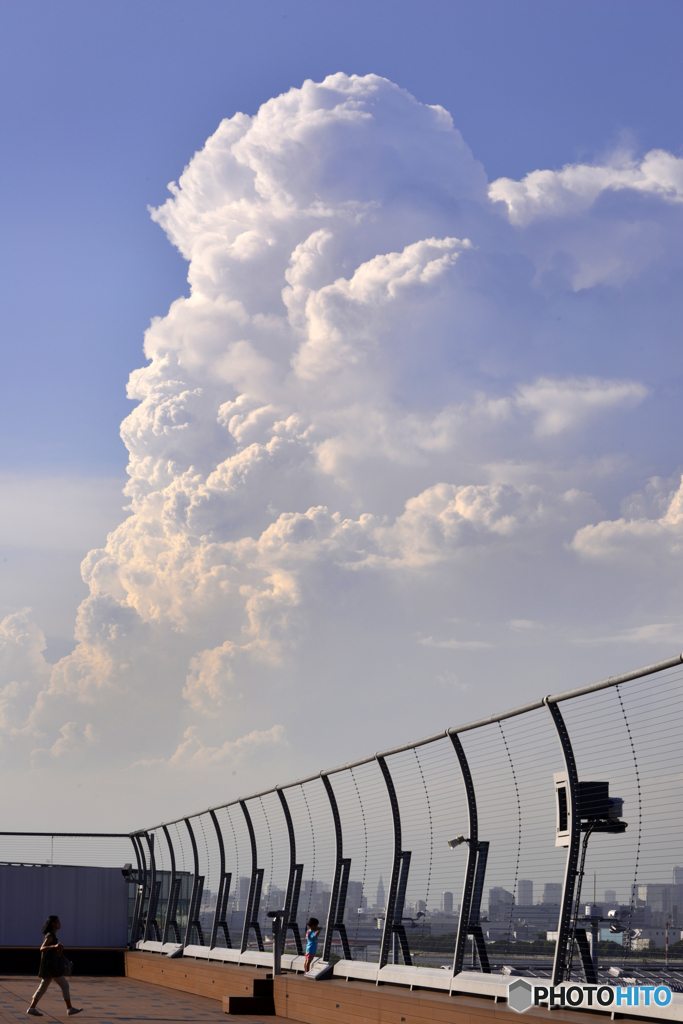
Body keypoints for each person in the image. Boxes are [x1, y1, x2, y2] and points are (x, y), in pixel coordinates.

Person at [27, 916, 82, 1016]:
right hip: (52, 967)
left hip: (50, 967)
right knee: (65, 985)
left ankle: (31, 1008)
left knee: (42, 988)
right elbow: (42, 948)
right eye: (58, 922)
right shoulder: (50, 935)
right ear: (53, 923)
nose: (59, 923)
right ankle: (69, 1009)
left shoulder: (53, 936)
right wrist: (55, 946)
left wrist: (59, 950)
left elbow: (56, 954)